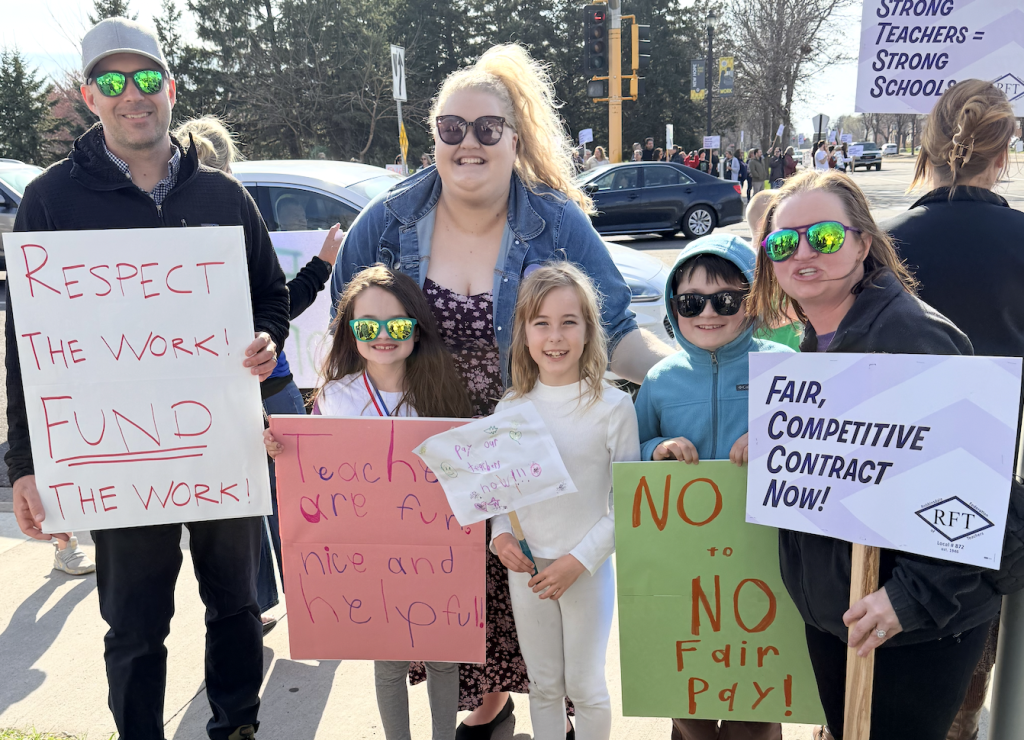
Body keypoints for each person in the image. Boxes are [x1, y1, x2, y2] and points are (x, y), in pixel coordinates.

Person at [329, 43, 674, 738]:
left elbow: (612, 329)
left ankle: (541, 720)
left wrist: (685, 373)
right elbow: (347, 339)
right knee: (462, 632)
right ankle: (492, 721)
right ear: (434, 137)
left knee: (545, 620)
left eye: (488, 129)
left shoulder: (554, 221)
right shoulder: (386, 223)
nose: (469, 143)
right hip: (435, 461)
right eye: (452, 128)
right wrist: (319, 436)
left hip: (537, 463)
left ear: (514, 138)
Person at [5, 18, 289, 740]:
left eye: (144, 79)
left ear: (170, 87)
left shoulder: (225, 198)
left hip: (219, 443)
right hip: (120, 460)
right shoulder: (49, 201)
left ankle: (236, 727)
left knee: (235, 608)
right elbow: (25, 347)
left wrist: (267, 338)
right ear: (89, 97)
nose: (131, 95)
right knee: (133, 626)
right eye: (110, 82)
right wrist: (28, 465)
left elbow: (271, 296)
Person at [749, 169, 1000, 740]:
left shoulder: (914, 337)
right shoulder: (814, 342)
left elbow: (974, 491)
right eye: (783, 243)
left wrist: (908, 598)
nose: (803, 252)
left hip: (913, 628)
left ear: (863, 242)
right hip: (840, 618)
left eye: (826, 237)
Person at [265, 266, 473, 740]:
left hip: (437, 552)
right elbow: (312, 471)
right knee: (388, 662)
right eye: (367, 326)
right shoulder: (337, 396)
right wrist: (281, 448)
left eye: (397, 325)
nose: (382, 336)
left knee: (444, 657)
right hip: (372, 558)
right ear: (350, 332)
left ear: (417, 330)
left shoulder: (441, 388)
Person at [881, 78, 1022, 740]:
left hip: (868, 504)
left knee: (857, 700)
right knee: (956, 709)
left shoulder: (877, 246)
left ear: (925, 148)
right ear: (1005, 154)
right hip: (976, 510)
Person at [173, 114, 343, 635]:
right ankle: (311, 595)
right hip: (268, 388)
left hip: (214, 401)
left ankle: (259, 602)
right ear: (229, 171)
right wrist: (321, 266)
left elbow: (266, 310)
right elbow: (277, 306)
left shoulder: (175, 247)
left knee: (244, 504)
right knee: (293, 496)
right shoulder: (226, 232)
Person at [635, 234, 791, 740]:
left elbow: (817, 449)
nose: (708, 313)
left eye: (726, 299)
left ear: (752, 301)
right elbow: (629, 457)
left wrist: (774, 439)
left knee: (757, 702)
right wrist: (656, 450)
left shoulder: (783, 370)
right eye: (691, 302)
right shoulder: (659, 381)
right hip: (682, 570)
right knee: (688, 701)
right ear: (673, 306)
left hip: (765, 566)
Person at [492, 262, 639, 740]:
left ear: (587, 329)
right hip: (528, 571)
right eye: (542, 323)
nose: (555, 337)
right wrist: (501, 536)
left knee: (585, 684)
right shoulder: (510, 407)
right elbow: (500, 491)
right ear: (525, 333)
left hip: (587, 570)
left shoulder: (613, 407)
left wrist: (580, 560)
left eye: (568, 322)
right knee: (544, 684)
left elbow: (627, 506)